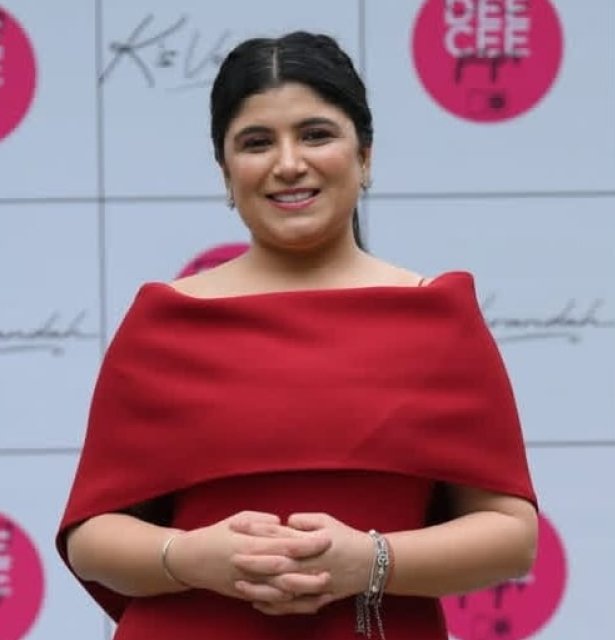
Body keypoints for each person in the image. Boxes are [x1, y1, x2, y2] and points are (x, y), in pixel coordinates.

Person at [56, 31, 538, 640]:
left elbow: (511, 536)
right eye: (256, 143)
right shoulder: (165, 321)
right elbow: (92, 538)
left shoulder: (437, 316)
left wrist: (372, 561)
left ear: (365, 156)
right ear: (226, 172)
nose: (288, 164)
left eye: (316, 134)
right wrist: (190, 557)